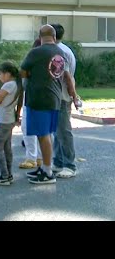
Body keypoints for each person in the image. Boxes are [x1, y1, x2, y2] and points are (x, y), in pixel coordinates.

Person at [22, 25, 78, 185]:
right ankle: (56, 164)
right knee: (55, 133)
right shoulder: (61, 52)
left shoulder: (37, 52)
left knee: (47, 133)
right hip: (57, 97)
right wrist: (74, 95)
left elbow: (23, 71)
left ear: (40, 36)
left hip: (42, 98)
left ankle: (53, 169)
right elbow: (67, 76)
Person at [0, 61, 23, 186]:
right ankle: (9, 174)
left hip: (3, 120)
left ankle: (4, 175)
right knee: (6, 147)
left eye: (1, 74)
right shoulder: (16, 85)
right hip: (10, 119)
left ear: (8, 74)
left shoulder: (8, 85)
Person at [51, 23, 78, 178]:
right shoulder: (64, 49)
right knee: (57, 130)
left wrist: (73, 96)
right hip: (59, 95)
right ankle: (59, 161)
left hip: (62, 96)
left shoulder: (60, 52)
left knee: (63, 130)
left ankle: (69, 164)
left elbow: (67, 76)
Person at [19, 38, 42, 169]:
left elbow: (23, 76)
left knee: (28, 127)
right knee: (42, 129)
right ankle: (39, 157)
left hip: (32, 97)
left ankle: (31, 158)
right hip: (47, 98)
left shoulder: (32, 60)